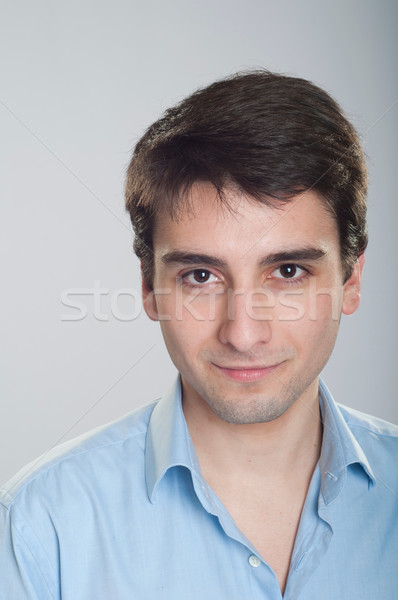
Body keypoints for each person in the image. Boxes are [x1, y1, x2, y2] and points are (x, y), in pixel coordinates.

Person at [1, 70, 397, 600]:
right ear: (148, 288)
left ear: (351, 280)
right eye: (201, 276)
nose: (243, 332)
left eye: (287, 272)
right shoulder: (40, 527)